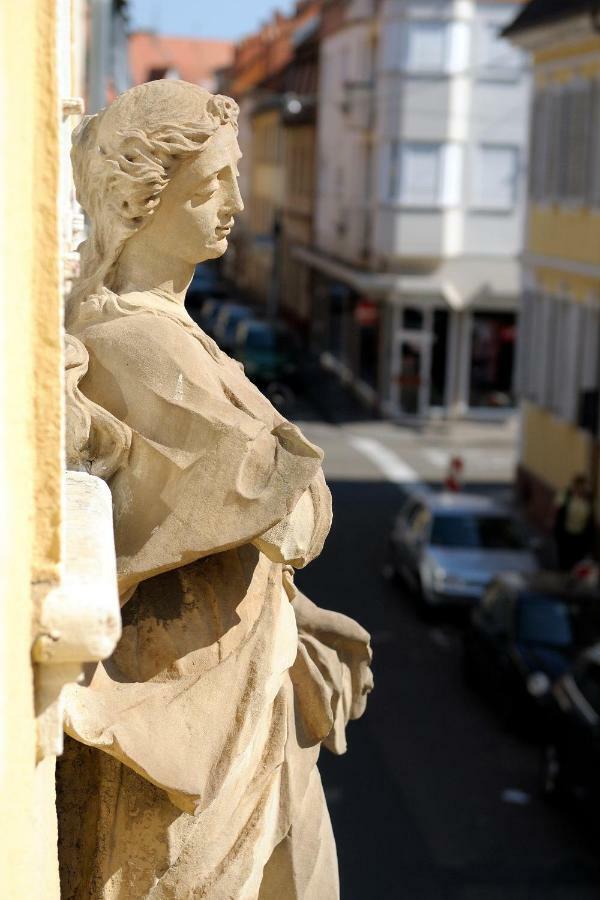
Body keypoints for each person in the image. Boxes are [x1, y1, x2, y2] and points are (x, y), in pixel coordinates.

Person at [58, 80, 372, 900]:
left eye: (233, 177)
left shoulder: (174, 327)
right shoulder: (134, 342)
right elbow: (288, 508)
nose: (234, 202)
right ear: (140, 201)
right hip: (190, 694)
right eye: (209, 186)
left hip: (237, 676)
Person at [553, 474, 595, 571]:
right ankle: (564, 578)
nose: (579, 489)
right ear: (573, 486)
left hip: (581, 536)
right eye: (577, 486)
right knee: (564, 561)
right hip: (565, 534)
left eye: (582, 487)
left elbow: (592, 517)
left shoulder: (590, 499)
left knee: (577, 562)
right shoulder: (566, 495)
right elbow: (557, 509)